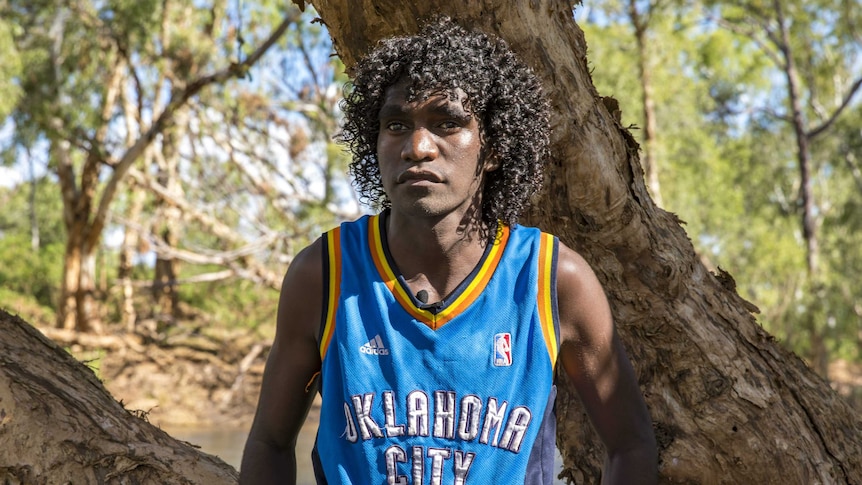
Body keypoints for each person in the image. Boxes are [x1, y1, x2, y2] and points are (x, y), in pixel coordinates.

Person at [240, 17, 657, 485]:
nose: (418, 147)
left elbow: (631, 446)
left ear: (492, 147)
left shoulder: (552, 280)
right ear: (373, 142)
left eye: (447, 124)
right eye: (397, 124)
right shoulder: (325, 273)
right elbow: (269, 444)